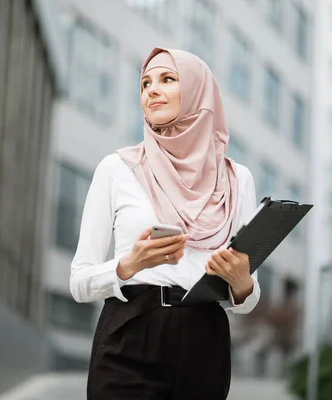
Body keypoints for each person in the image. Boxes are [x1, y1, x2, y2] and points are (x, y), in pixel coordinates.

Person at [70, 47, 261, 400]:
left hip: (204, 337)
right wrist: (129, 265)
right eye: (145, 83)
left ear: (197, 92)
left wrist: (241, 282)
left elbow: (248, 300)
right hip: (130, 329)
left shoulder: (237, 179)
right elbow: (79, 282)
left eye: (167, 79)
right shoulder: (117, 169)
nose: (151, 90)